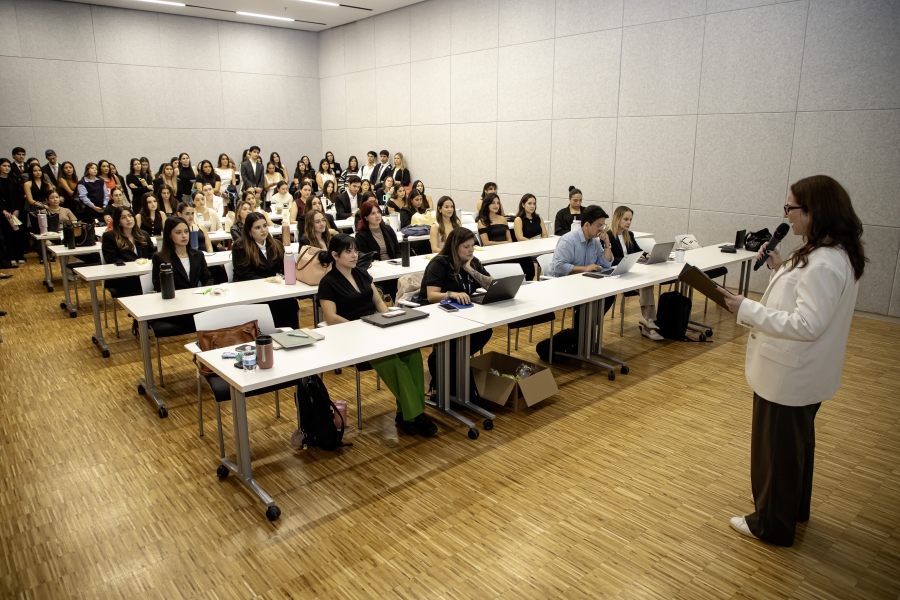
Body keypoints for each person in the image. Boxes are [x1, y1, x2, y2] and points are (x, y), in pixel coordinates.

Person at [720, 175, 866, 548]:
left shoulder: (823, 262)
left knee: (776, 450)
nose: (786, 215)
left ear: (814, 210)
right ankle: (792, 508)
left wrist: (746, 308)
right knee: (794, 446)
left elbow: (807, 324)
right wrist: (780, 266)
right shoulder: (829, 253)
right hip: (802, 372)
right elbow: (804, 296)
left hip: (789, 373)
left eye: (791, 207)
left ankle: (771, 524)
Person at [317, 234, 437, 437]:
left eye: (356, 250)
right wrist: (361, 327)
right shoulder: (328, 282)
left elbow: (379, 303)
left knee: (412, 354)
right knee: (394, 362)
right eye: (348, 251)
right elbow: (331, 317)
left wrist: (390, 320)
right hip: (352, 335)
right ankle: (416, 415)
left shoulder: (362, 274)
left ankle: (406, 414)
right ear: (335, 255)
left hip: (376, 327)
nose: (354, 255)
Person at [420, 226, 495, 390]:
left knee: (485, 331)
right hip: (439, 313)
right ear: (455, 246)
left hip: (463, 312)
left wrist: (469, 269)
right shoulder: (439, 263)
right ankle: (444, 364)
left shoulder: (472, 262)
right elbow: (431, 295)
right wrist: (451, 294)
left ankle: (447, 363)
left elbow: (491, 285)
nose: (471, 250)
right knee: (462, 340)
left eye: (472, 245)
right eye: (466, 246)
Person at [231, 212, 298, 329]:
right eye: (257, 227)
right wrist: (271, 282)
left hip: (277, 291)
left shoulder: (276, 244)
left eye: (265, 226)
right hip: (253, 292)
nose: (263, 230)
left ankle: (291, 334)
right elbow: (243, 274)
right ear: (249, 231)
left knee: (290, 303)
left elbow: (284, 269)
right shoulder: (240, 247)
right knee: (272, 307)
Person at [608, 206, 662, 340]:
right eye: (626, 219)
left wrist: (646, 254)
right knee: (645, 284)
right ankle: (647, 323)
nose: (628, 222)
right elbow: (610, 259)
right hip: (617, 274)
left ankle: (647, 320)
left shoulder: (629, 235)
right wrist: (630, 258)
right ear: (617, 218)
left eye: (630, 220)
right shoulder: (608, 236)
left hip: (631, 272)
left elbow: (638, 251)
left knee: (647, 283)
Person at [101, 206, 155, 301]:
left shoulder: (143, 234)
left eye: (130, 216)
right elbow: (112, 260)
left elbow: (153, 254)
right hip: (123, 278)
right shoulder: (109, 237)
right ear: (118, 221)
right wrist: (135, 265)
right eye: (123, 217)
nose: (128, 219)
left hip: (145, 275)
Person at [151, 216, 215, 292]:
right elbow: (159, 286)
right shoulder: (159, 257)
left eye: (186, 231)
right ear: (169, 235)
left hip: (197, 297)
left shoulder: (198, 255)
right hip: (173, 298)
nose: (184, 236)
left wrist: (204, 292)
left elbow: (208, 279)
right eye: (178, 232)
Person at [354, 199, 399, 298]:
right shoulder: (361, 235)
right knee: (393, 284)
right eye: (373, 213)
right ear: (366, 217)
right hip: (377, 272)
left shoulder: (388, 229)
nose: (377, 216)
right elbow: (365, 258)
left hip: (393, 268)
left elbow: (398, 251)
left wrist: (396, 265)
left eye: (378, 212)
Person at [513, 193, 548, 281]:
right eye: (529, 203)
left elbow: (545, 235)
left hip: (539, 246)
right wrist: (533, 243)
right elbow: (519, 237)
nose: (532, 206)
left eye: (534, 204)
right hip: (526, 248)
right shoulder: (519, 219)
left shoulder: (538, 218)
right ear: (523, 204)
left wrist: (541, 243)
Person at [0, 158, 25, 264]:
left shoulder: (14, 179)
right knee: (7, 234)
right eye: (4, 166)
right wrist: (3, 210)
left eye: (9, 166)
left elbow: (20, 195)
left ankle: (20, 255)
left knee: (18, 233)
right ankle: (11, 257)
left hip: (15, 210)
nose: (7, 168)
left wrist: (17, 209)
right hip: (3, 211)